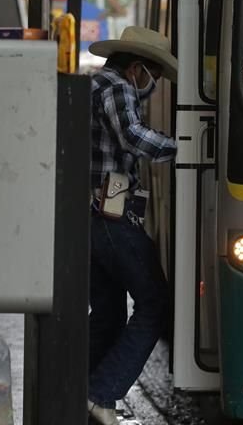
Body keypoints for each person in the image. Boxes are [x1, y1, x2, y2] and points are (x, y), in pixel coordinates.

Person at [85, 26, 178, 425]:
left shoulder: (92, 84)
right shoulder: (117, 86)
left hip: (87, 211)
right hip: (110, 211)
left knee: (107, 310)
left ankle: (79, 390)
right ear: (138, 67)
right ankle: (99, 394)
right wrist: (186, 145)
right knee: (154, 303)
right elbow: (134, 138)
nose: (152, 85)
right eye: (153, 76)